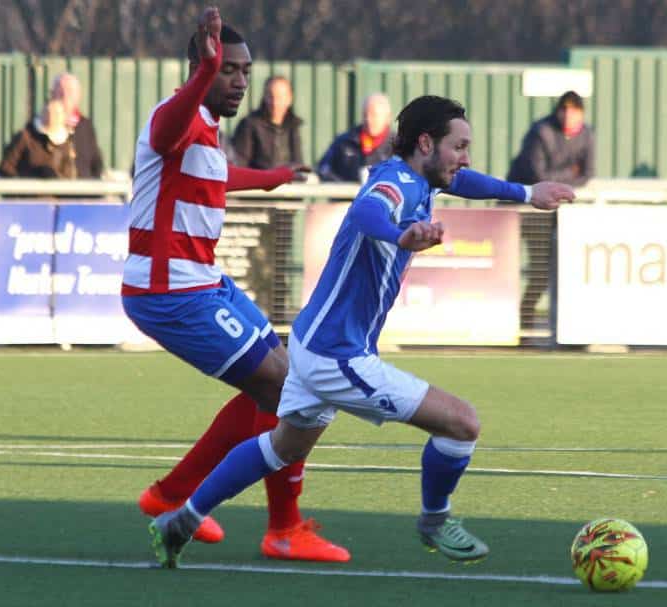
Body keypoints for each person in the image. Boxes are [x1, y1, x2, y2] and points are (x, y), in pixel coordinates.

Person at [147, 94, 575, 568]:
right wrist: (400, 235)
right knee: (461, 423)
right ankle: (435, 520)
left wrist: (526, 193)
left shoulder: (421, 177)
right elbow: (368, 212)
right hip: (338, 355)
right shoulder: (395, 183)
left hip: (312, 342)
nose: (466, 157)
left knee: (280, 447)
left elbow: (465, 180)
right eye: (460, 146)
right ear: (426, 143)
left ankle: (180, 520)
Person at [123, 7, 348, 563]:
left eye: (246, 71)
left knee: (281, 380)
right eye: (230, 70)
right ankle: (284, 529)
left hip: (203, 282)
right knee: (286, 390)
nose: (242, 81)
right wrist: (206, 69)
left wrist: (272, 178)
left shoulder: (206, 129)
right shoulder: (173, 116)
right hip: (169, 294)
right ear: (203, 67)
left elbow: (218, 176)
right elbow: (167, 131)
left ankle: (172, 494)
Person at [506, 90, 595, 342]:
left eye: (574, 111)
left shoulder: (588, 135)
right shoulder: (541, 133)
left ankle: (562, 330)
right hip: (530, 206)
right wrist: (569, 174)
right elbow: (538, 174)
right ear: (557, 112)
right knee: (539, 269)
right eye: (564, 110)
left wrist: (561, 180)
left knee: (563, 268)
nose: (568, 116)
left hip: (561, 208)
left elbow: (587, 173)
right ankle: (524, 327)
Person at [231, 75, 303, 170]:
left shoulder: (293, 125)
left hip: (287, 183)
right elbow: (240, 165)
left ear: (289, 99)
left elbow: (297, 164)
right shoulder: (249, 124)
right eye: (270, 96)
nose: (274, 103)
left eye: (280, 97)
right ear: (264, 97)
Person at [317, 93, 393, 182]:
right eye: (365, 115)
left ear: (388, 117)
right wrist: (344, 188)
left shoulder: (399, 147)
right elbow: (323, 169)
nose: (368, 119)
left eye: (374, 115)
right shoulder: (344, 142)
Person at [0, 99, 77, 178]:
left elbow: (69, 175)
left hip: (56, 189)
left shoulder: (65, 143)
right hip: (27, 188)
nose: (52, 116)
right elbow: (5, 168)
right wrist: (33, 176)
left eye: (57, 114)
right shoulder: (25, 137)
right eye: (49, 112)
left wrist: (54, 177)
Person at [50, 73, 105, 178]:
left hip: (83, 191)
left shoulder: (85, 125)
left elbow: (96, 161)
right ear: (52, 94)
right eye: (60, 91)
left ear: (77, 96)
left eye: (69, 91)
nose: (64, 96)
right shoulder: (37, 127)